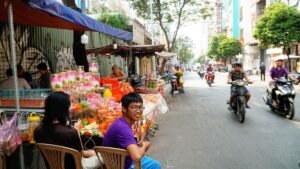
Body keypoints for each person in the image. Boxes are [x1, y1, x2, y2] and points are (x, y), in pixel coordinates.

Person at [34, 92, 101, 169]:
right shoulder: (70, 132)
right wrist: (97, 153)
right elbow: (82, 154)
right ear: (64, 110)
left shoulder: (38, 130)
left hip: (52, 166)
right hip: (76, 166)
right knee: (103, 157)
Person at [102, 93, 161, 169]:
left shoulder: (122, 122)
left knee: (155, 165)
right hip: (121, 165)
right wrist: (145, 145)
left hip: (123, 159)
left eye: (140, 107)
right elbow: (137, 157)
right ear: (124, 109)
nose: (138, 111)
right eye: (133, 107)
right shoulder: (123, 128)